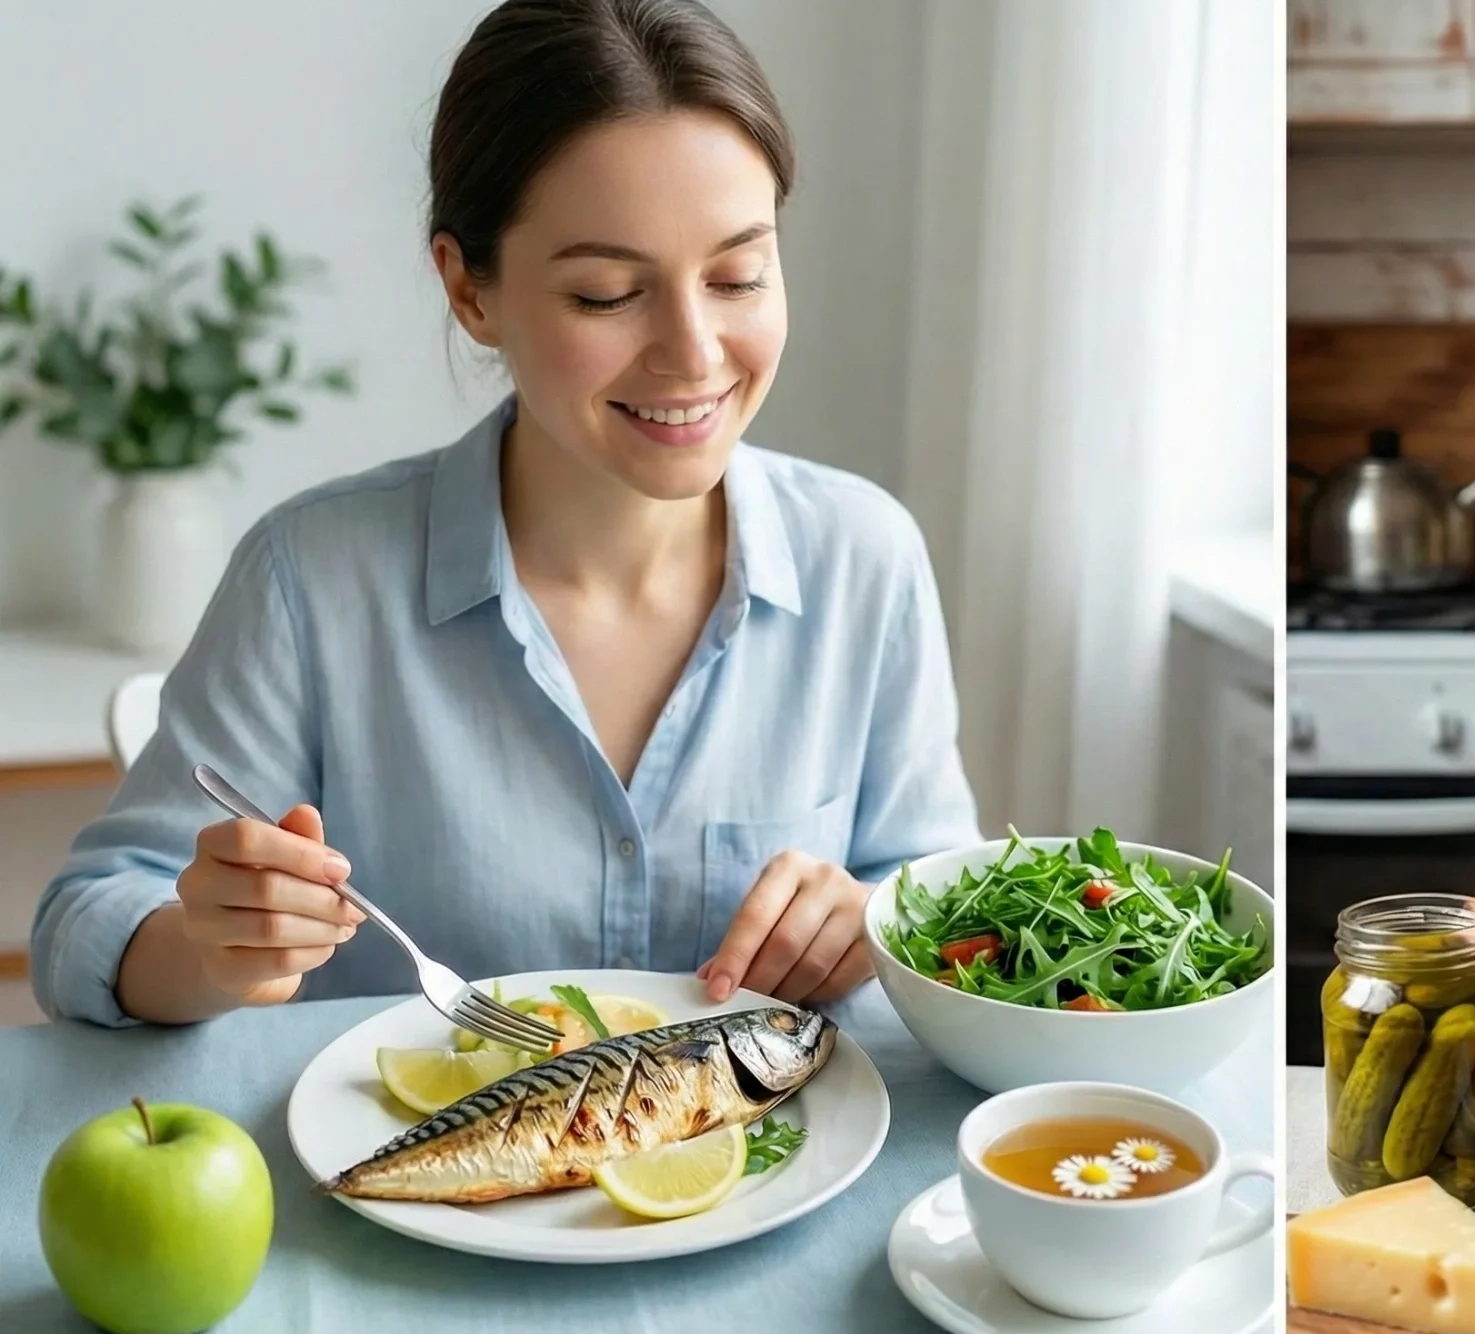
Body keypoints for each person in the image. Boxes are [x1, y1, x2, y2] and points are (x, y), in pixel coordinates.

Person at [31, 0, 978, 1029]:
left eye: (737, 275)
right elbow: (86, 920)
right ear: (468, 289)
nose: (695, 352)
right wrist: (214, 951)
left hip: (772, 1173)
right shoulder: (313, 579)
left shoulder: (863, 557)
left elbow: (937, 892)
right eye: (608, 294)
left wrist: (873, 918)